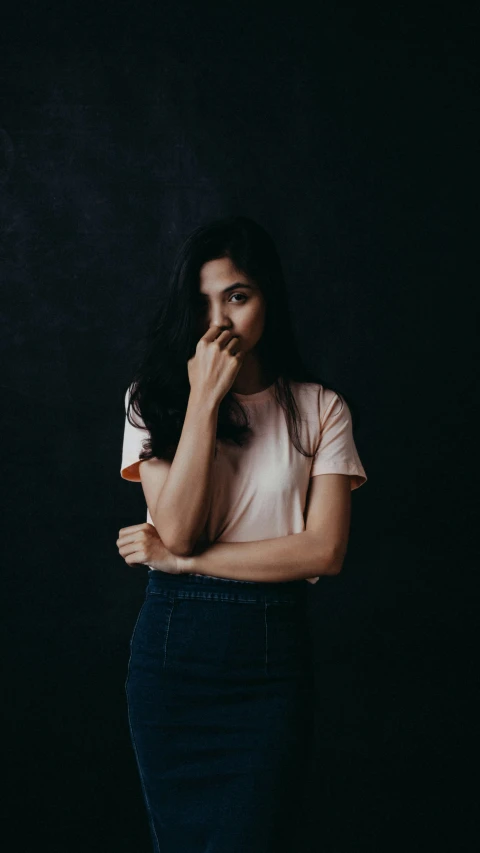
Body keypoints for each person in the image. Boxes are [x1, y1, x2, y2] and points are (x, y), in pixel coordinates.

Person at [116, 214, 367, 852]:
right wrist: (204, 400)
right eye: (202, 303)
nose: (219, 323)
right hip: (173, 658)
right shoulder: (151, 400)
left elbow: (324, 551)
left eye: (237, 296)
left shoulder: (320, 408)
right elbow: (177, 526)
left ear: (267, 298)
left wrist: (182, 565)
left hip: (268, 661)